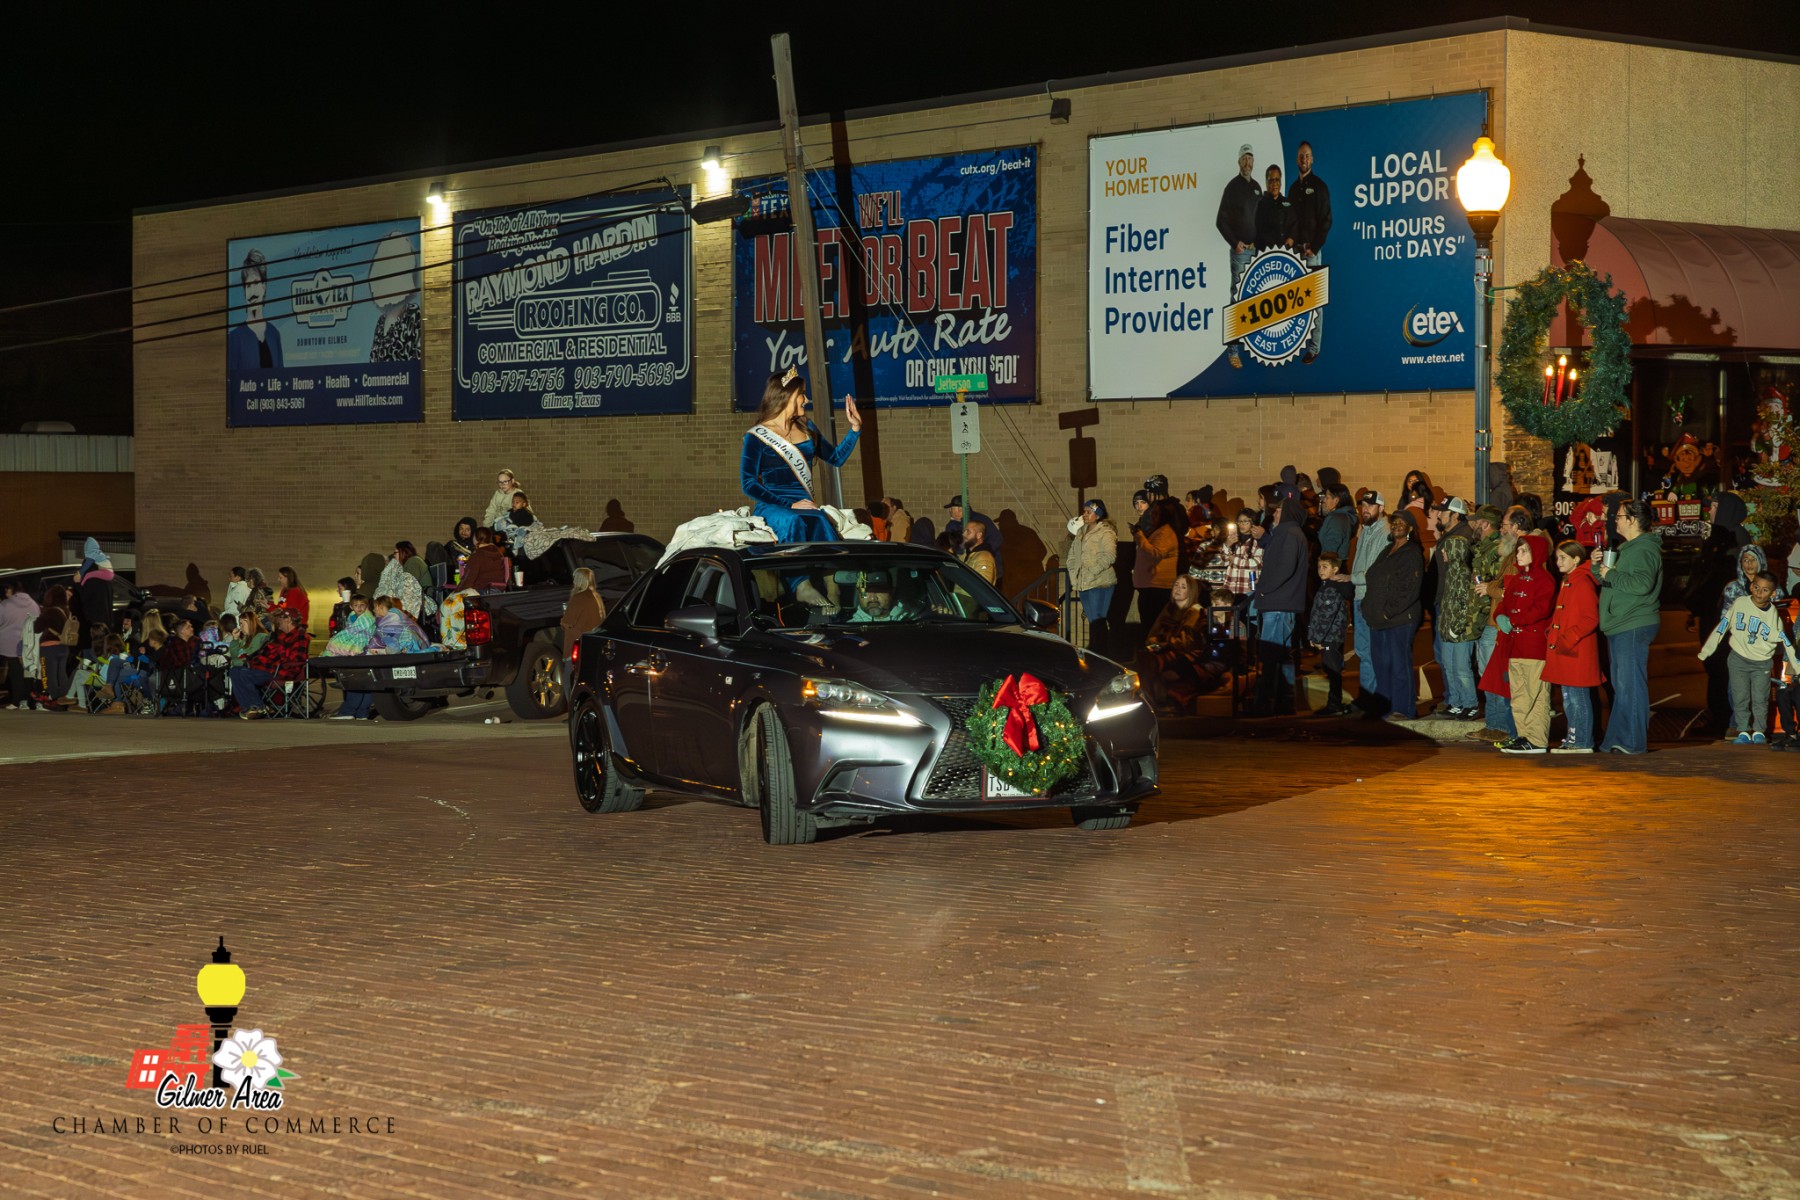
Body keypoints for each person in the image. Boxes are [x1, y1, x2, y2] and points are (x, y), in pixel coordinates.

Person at [740, 368, 863, 543]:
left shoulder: (807, 427)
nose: (806, 400)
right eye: (802, 394)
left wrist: (855, 428)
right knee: (794, 520)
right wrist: (790, 504)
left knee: (819, 520)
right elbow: (748, 484)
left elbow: (836, 458)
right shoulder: (756, 436)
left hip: (805, 505)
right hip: (774, 506)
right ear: (788, 396)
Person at [1592, 500, 1663, 754]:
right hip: (1620, 623)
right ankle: (1617, 739)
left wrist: (1610, 574)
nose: (1616, 521)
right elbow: (1607, 579)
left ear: (1632, 520)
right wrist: (1597, 566)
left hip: (1632, 623)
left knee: (1630, 685)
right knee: (1622, 686)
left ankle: (1632, 741)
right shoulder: (1627, 548)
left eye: (1620, 516)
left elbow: (1642, 584)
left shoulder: (1644, 549)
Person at [1699, 571, 1800, 746]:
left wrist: (1797, 667)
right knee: (1740, 697)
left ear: (1772, 593)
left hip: (1762, 663)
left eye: (1765, 590)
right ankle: (1743, 730)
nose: (1759, 593)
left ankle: (1759, 731)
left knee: (1760, 698)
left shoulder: (1772, 615)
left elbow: (1785, 640)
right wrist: (1707, 650)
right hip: (1738, 659)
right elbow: (1723, 626)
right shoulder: (1740, 603)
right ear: (1751, 586)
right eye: (1757, 587)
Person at [1493, 533, 1557, 754]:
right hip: (1515, 646)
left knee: (1536, 695)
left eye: (1524, 551)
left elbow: (1541, 609)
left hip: (1533, 647)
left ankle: (1537, 739)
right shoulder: (1517, 579)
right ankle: (1523, 735)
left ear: (1536, 553)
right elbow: (1504, 604)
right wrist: (1500, 617)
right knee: (1519, 695)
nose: (1518, 555)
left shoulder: (1545, 579)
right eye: (1518, 550)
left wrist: (1513, 620)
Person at [1248, 490, 1309, 716]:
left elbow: (1284, 568)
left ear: (1287, 512)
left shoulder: (1289, 534)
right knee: (1282, 655)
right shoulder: (1287, 533)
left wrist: (1263, 589)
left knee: (1272, 655)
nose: (1273, 513)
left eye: (1278, 510)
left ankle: (1265, 702)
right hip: (1281, 602)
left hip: (1278, 604)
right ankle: (1285, 701)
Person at [1359, 512, 1423, 719]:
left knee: (1398, 665)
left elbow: (1409, 589)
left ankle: (1403, 709)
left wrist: (1387, 613)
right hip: (1377, 619)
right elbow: (1373, 578)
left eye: (1402, 523)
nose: (1396, 526)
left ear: (1410, 528)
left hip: (1399, 619)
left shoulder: (1411, 552)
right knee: (1381, 665)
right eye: (1394, 522)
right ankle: (1383, 706)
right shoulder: (1387, 550)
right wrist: (1368, 608)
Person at [1543, 540, 1604, 753]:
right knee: (1569, 699)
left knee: (1578, 699)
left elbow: (1590, 618)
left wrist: (1567, 637)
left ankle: (1582, 742)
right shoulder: (1570, 580)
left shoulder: (1582, 582)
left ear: (1576, 559)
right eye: (1557, 558)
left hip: (1576, 651)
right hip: (1568, 650)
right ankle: (1573, 738)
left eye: (1563, 558)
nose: (1558, 562)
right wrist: (1552, 632)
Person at [1429, 498, 1480, 719]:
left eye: (1443, 512)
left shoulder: (1463, 538)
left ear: (1456, 515)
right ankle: (1456, 702)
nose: (1439, 515)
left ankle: (1469, 703)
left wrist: (1458, 621)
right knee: (1448, 661)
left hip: (1457, 614)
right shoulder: (1449, 536)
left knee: (1460, 663)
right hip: (1445, 608)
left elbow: (1464, 592)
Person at [1215, 142, 1261, 370]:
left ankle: (1252, 345)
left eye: (1250, 158)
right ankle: (1233, 351)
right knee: (1238, 299)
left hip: (1256, 251)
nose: (1247, 162)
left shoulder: (1257, 187)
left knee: (1255, 298)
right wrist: (1235, 243)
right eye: (1244, 158)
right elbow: (1220, 221)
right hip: (1241, 253)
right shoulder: (1232, 187)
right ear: (1239, 162)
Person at [1139, 575, 1211, 713]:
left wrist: (1164, 644)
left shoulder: (1195, 611)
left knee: (1154, 661)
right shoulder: (1170, 609)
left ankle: (1159, 703)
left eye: (1183, 587)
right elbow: (1155, 634)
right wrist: (1155, 644)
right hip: (1169, 649)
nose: (1178, 589)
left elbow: (1186, 642)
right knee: (1144, 655)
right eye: (1176, 585)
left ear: (1191, 592)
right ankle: (1153, 702)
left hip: (1190, 655)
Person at [1288, 140, 1331, 364]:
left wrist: (1314, 247)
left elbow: (1326, 220)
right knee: (1295, 301)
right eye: (1301, 156)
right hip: (1294, 253)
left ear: (1312, 159)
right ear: (1296, 160)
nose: (1304, 159)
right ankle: (1296, 343)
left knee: (1314, 302)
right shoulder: (1292, 189)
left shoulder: (1320, 187)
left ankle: (1314, 348)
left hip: (1311, 253)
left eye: (1307, 156)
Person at [1347, 489, 1388, 706]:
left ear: (1381, 508)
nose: (1365, 509)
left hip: (1371, 598)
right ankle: (1367, 694)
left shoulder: (1384, 532)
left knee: (1371, 651)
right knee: (1363, 650)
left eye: (1370, 505)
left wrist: (1350, 578)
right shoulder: (1365, 530)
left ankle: (1374, 696)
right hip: (1360, 595)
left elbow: (1374, 572)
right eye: (1363, 505)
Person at [232, 607, 310, 719]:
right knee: (234, 671)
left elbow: (296, 660)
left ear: (288, 620)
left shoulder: (300, 636)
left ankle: (258, 706)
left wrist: (271, 657)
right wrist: (251, 660)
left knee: (244, 673)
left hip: (280, 672)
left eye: (280, 620)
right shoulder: (280, 636)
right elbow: (265, 652)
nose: (278, 623)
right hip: (269, 668)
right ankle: (250, 707)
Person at [1067, 500, 1119, 656]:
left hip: (1100, 583)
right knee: (1092, 620)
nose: (1085, 515)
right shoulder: (1081, 532)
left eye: (1088, 512)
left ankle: (1100, 653)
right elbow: (1072, 556)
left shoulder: (1106, 532)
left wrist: (1091, 572)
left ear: (1098, 515)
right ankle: (1097, 652)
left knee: (1098, 620)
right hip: (1084, 583)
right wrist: (1074, 576)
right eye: (1084, 511)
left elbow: (1109, 555)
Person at [1308, 551, 1355, 715]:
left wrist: (1317, 637)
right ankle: (1334, 703)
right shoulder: (1325, 585)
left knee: (1333, 670)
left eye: (1325, 567)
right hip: (1327, 636)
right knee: (1331, 669)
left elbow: (1327, 615)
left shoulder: (1332, 588)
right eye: (1319, 567)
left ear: (1335, 569)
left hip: (1330, 637)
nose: (1321, 570)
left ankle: (1335, 705)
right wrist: (1312, 635)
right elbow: (1316, 613)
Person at [227, 248, 283, 371]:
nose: (252, 292)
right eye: (248, 285)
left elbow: (282, 378)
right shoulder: (234, 338)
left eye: (256, 283)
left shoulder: (274, 334)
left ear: (264, 287)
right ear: (244, 292)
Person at [1132, 501, 1179, 649]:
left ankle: (1155, 656)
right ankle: (1151, 655)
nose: (1152, 516)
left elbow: (1154, 554)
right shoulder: (1157, 531)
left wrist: (1139, 536)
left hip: (1158, 588)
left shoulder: (1165, 533)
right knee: (1148, 627)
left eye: (1156, 513)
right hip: (1150, 587)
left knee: (1153, 629)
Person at [1, 581, 41, 709]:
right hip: (29, 642)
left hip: (10, 644)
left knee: (15, 673)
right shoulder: (34, 605)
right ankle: (25, 700)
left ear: (13, 590)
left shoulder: (5, 605)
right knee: (27, 672)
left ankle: (16, 701)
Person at [560, 568, 607, 660]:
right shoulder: (596, 596)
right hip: (591, 641)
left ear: (580, 580)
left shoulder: (578, 597)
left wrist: (563, 618)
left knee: (572, 668)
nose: (573, 581)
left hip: (577, 642)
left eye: (575, 578)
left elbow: (567, 622)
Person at [849, 571, 917, 623]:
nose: (873, 598)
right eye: (866, 591)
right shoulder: (850, 629)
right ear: (858, 594)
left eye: (879, 590)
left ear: (891, 592)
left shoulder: (914, 621)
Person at [461, 528, 510, 593]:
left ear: (475, 538)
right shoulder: (498, 552)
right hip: (498, 591)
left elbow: (469, 578)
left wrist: (458, 589)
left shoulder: (478, 554)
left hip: (481, 591)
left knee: (454, 597)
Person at [1255, 163, 1291, 250]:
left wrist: (1291, 238)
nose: (1274, 184)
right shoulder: (1260, 205)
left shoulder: (1288, 203)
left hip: (1287, 251)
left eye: (1277, 180)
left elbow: (1294, 224)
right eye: (1271, 180)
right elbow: (1260, 231)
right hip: (1267, 251)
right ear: (1266, 183)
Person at [1316, 484, 1354, 563]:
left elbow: (1331, 548)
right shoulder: (1340, 516)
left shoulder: (1337, 520)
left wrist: (1324, 566)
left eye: (1327, 498)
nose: (1325, 500)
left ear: (1336, 500)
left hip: (1332, 565)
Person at [494, 494, 540, 558]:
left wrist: (509, 524)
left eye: (517, 502)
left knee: (511, 539)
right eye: (513, 502)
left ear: (523, 504)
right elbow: (504, 519)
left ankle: (510, 549)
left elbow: (519, 524)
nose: (514, 504)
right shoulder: (510, 512)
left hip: (518, 533)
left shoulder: (526, 514)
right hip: (508, 531)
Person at [960, 520, 998, 584]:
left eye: (968, 531)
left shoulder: (984, 557)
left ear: (979, 535)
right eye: (964, 531)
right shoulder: (970, 554)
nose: (963, 534)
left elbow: (983, 585)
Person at [448, 518, 478, 585]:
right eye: (461, 529)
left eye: (467, 530)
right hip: (450, 573)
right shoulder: (452, 544)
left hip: (466, 578)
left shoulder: (476, 547)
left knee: (461, 556)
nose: (463, 532)